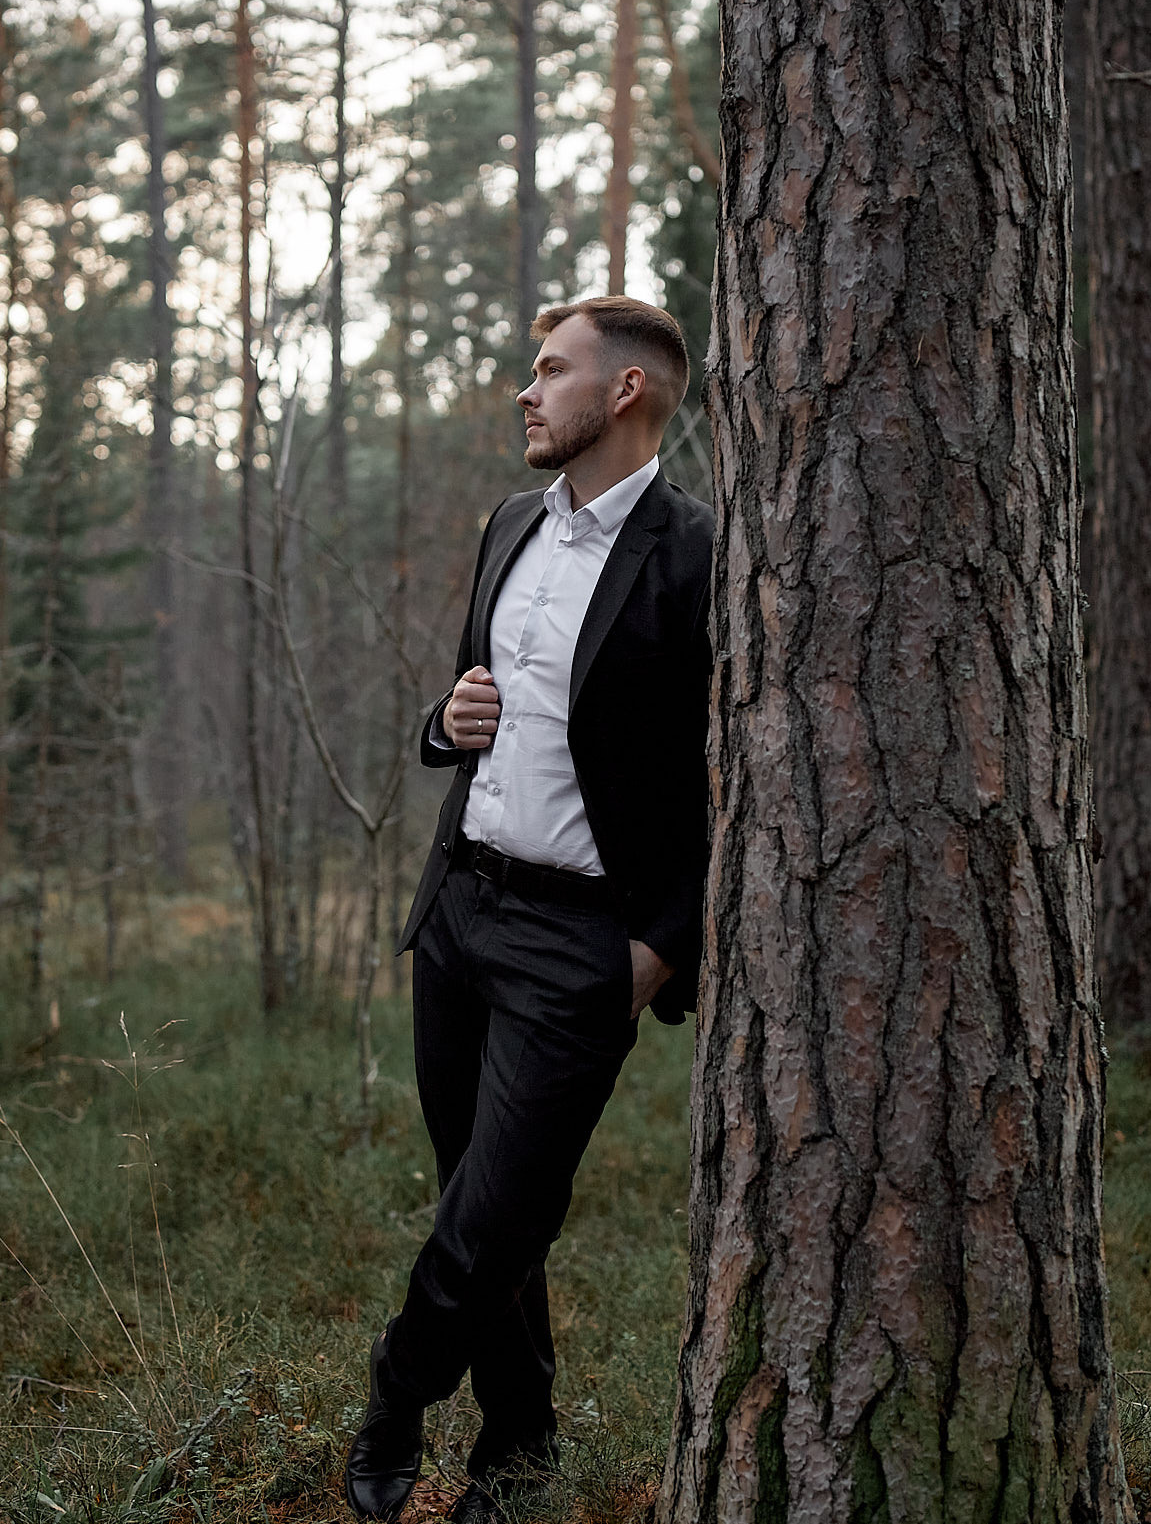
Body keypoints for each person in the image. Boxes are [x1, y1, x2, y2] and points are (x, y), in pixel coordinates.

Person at [342, 295, 715, 1522]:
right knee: (479, 1206)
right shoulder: (509, 522)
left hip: (581, 941)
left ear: (625, 394)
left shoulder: (698, 554)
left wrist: (661, 946)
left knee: (497, 1207)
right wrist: (444, 723)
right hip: (458, 913)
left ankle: (393, 1400)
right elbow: (470, 701)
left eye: (550, 370)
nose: (525, 388)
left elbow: (740, 779)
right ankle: (515, 1449)